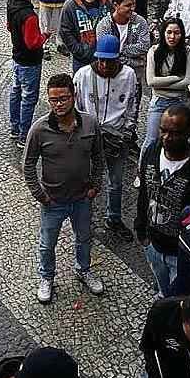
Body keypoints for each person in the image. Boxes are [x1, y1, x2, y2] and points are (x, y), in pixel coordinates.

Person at [23, 73, 104, 303]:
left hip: (82, 199)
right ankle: (46, 277)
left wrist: (95, 185)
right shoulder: (39, 129)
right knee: (47, 244)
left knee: (84, 238)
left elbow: (99, 157)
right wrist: (40, 194)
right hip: (53, 201)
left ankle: (83, 269)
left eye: (63, 99)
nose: (58, 104)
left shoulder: (90, 123)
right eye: (53, 100)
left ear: (74, 96)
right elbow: (28, 163)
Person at [136, 104, 190, 297]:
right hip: (153, 245)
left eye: (174, 133)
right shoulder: (151, 151)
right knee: (162, 288)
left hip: (182, 253)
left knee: (178, 297)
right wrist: (141, 230)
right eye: (163, 131)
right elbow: (144, 191)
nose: (167, 138)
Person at [74, 35, 136, 242]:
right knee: (86, 181)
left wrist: (127, 134)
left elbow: (133, 107)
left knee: (116, 182)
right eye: (101, 60)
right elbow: (76, 107)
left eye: (110, 60)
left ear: (119, 58)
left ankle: (114, 218)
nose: (105, 64)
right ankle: (85, 219)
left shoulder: (129, 75)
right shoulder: (82, 75)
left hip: (117, 139)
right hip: (89, 138)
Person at [96, 0, 150, 143]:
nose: (132, 9)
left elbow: (144, 46)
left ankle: (129, 138)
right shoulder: (104, 25)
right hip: (111, 78)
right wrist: (129, 57)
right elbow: (107, 55)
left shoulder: (140, 22)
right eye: (128, 5)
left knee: (133, 109)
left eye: (133, 4)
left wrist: (120, 50)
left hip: (135, 78)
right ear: (116, 5)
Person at [141, 19, 190, 157]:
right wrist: (177, 78)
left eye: (176, 33)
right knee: (152, 140)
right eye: (169, 32)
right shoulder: (154, 51)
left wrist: (162, 84)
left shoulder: (188, 52)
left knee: (180, 140)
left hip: (180, 101)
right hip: (159, 101)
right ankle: (142, 171)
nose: (172, 37)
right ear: (163, 33)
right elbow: (151, 81)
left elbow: (187, 82)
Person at [7, 0, 48, 148]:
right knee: (29, 98)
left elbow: (9, 27)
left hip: (16, 58)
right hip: (29, 62)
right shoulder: (29, 15)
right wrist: (44, 36)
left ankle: (14, 128)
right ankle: (24, 136)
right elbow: (32, 43)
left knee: (15, 93)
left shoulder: (12, 5)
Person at [59, 0, 112, 74]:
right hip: (82, 62)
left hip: (103, 59)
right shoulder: (71, 5)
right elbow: (65, 31)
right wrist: (80, 51)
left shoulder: (106, 2)